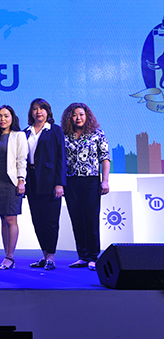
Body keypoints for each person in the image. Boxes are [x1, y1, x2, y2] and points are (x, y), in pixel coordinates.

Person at [61, 102, 110, 271]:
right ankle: (82, 256)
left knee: (91, 218)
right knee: (76, 219)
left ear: (87, 116)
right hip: (71, 182)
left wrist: (105, 180)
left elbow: (105, 158)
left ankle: (93, 257)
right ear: (69, 117)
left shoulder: (97, 133)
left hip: (91, 181)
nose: (78, 118)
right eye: (74, 115)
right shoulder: (64, 135)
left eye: (81, 114)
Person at [0, 105, 28, 270]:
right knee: (3, 219)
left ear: (12, 118)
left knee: (11, 219)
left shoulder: (18, 135)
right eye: (0, 116)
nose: (3, 119)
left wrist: (21, 180)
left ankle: (10, 257)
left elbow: (22, 159)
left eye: (6, 116)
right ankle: (6, 255)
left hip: (12, 182)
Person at [24, 98, 66, 271]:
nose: (38, 112)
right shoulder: (25, 132)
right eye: (35, 109)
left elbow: (61, 158)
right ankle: (44, 255)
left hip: (50, 181)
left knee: (51, 221)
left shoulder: (55, 130)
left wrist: (59, 183)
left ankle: (51, 256)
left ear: (48, 112)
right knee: (38, 220)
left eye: (42, 108)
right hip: (31, 181)